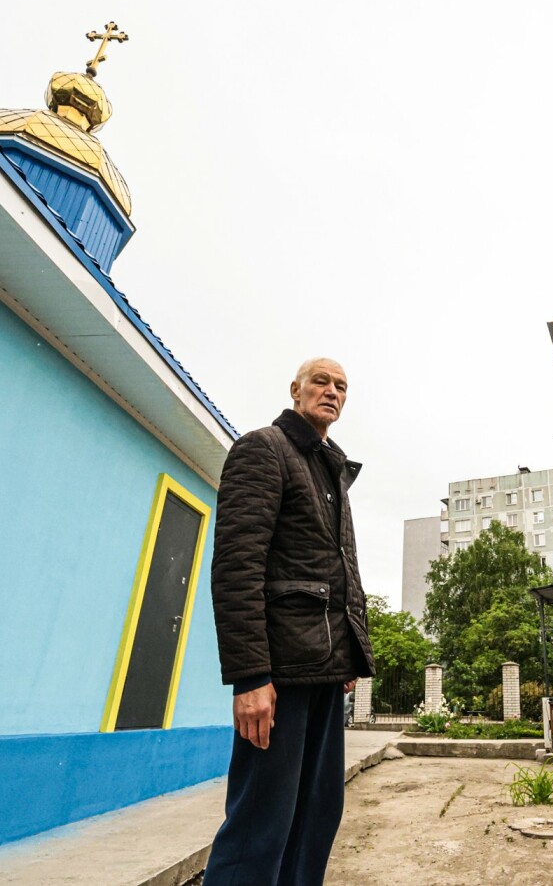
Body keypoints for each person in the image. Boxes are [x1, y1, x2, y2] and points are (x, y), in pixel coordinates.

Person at [203, 358, 375, 886]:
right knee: (262, 822)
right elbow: (237, 565)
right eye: (321, 381)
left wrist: (348, 653)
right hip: (277, 677)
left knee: (317, 815)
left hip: (323, 670)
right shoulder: (264, 448)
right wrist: (251, 676)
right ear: (296, 390)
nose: (332, 391)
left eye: (341, 386)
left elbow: (338, 570)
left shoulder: (331, 470)